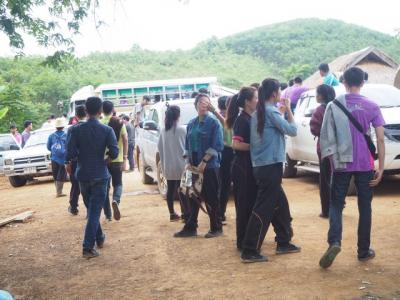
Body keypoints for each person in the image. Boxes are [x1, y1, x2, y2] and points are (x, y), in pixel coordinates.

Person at [319, 67, 385, 268]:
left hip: (341, 163)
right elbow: (380, 139)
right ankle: (363, 251)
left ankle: (335, 242)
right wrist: (381, 168)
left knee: (336, 204)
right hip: (365, 164)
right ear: (362, 82)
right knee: (365, 206)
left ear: (344, 82)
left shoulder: (334, 105)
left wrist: (330, 158)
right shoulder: (372, 106)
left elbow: (326, 135)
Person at [241, 78, 301, 263]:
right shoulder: (270, 111)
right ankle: (250, 249)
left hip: (262, 166)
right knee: (264, 208)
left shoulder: (260, 112)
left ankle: (283, 241)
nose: (281, 95)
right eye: (280, 91)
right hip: (270, 166)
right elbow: (292, 130)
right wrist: (289, 110)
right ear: (274, 93)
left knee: (280, 204)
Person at [65, 96, 119, 259]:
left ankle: (100, 238)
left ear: (86, 111)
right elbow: (114, 152)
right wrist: (106, 160)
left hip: (83, 175)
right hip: (100, 174)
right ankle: (87, 247)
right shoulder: (107, 130)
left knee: (92, 210)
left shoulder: (74, 130)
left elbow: (71, 154)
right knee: (94, 212)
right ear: (100, 111)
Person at [174, 94, 224, 238]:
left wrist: (204, 162)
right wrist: (187, 162)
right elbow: (187, 145)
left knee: (211, 197)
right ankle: (191, 226)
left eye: (207, 102)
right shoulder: (191, 123)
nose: (204, 105)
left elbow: (218, 145)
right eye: (202, 102)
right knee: (190, 194)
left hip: (209, 166)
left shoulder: (214, 123)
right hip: (192, 165)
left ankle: (216, 227)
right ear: (196, 105)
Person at [225, 87, 258, 250]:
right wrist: (257, 147)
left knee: (249, 204)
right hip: (242, 167)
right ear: (247, 101)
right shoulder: (242, 120)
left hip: (247, 167)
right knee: (243, 205)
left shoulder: (249, 118)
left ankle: (246, 239)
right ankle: (242, 241)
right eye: (256, 98)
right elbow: (236, 144)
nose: (258, 101)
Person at [157, 105, 188, 222]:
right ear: (178, 116)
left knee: (170, 190)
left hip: (168, 166)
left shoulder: (163, 130)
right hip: (183, 165)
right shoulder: (183, 130)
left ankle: (172, 213)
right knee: (183, 190)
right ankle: (185, 213)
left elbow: (159, 147)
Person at [310, 84, 336, 219]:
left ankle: (326, 210)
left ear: (322, 95)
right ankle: (337, 207)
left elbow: (314, 129)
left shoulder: (319, 110)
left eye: (317, 93)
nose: (316, 96)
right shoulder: (338, 106)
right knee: (338, 178)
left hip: (325, 149)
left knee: (325, 179)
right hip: (339, 148)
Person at [102, 101, 128, 221]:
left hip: (104, 160)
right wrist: (125, 157)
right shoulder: (119, 122)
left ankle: (108, 215)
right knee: (118, 184)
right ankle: (116, 200)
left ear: (102, 110)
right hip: (117, 159)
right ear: (113, 109)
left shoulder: (100, 123)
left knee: (105, 188)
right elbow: (125, 139)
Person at [209, 95, 233, 223]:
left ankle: (219, 212)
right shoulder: (233, 117)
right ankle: (221, 212)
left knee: (219, 184)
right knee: (225, 185)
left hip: (217, 153)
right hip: (230, 153)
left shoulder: (213, 118)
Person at [67, 105, 87, 215]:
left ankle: (73, 206)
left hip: (75, 161)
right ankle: (90, 209)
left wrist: (67, 161)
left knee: (75, 184)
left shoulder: (71, 129)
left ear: (76, 116)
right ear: (87, 114)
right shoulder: (92, 126)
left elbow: (68, 147)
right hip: (90, 161)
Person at [47, 118, 68, 197]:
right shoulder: (67, 135)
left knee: (55, 175)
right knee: (61, 174)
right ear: (63, 126)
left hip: (54, 158)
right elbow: (69, 146)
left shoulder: (51, 136)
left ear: (56, 127)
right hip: (64, 158)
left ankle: (58, 191)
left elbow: (48, 147)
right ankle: (59, 192)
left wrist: (55, 151)